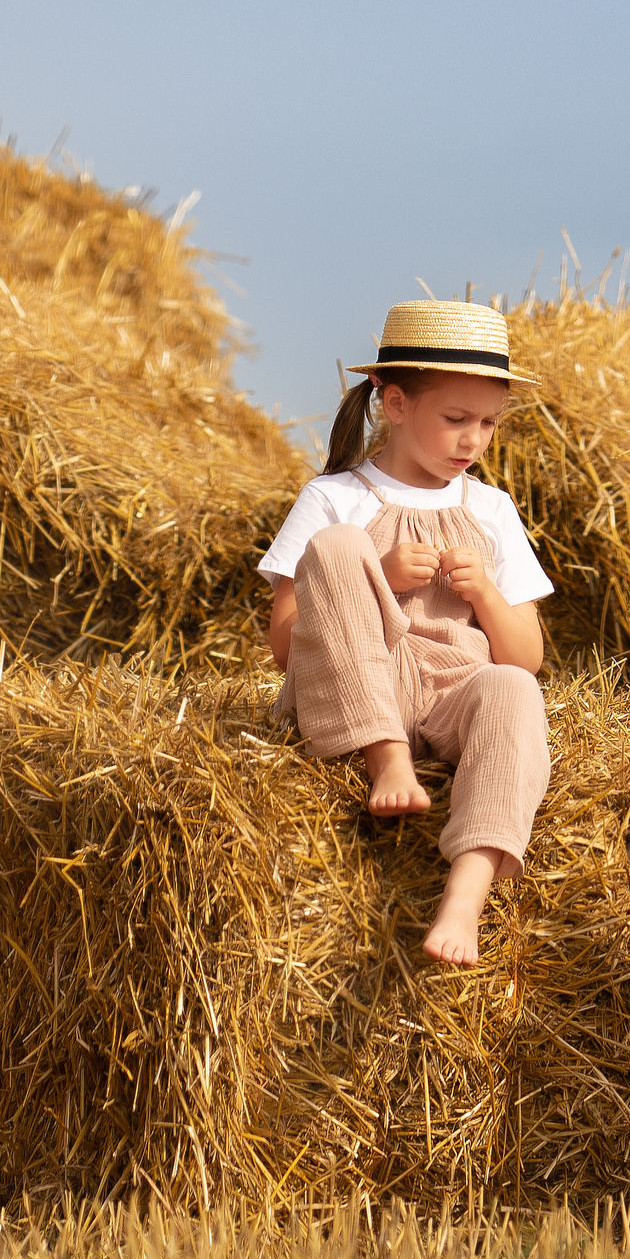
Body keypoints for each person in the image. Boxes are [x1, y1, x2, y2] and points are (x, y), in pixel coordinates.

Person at [258, 300, 555, 965]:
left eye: (488, 423)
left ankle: (466, 893)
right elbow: (285, 644)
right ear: (393, 403)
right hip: (359, 684)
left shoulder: (492, 509)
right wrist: (378, 576)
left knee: (513, 691)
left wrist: (485, 594)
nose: (472, 440)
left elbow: (526, 658)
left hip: (454, 693)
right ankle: (386, 757)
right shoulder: (334, 498)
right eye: (455, 419)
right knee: (340, 546)